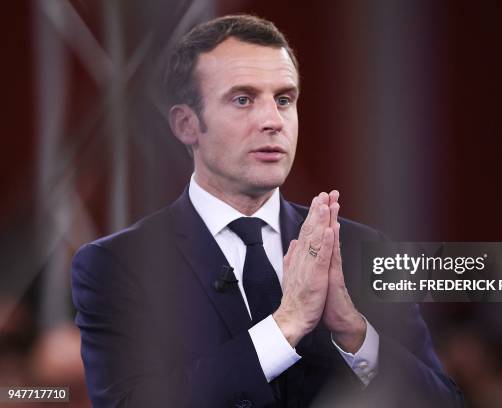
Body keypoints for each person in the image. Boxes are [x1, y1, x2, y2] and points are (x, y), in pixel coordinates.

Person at [71, 14, 463, 407]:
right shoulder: (115, 265)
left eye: (284, 99)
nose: (273, 121)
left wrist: (354, 333)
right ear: (186, 125)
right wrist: (285, 326)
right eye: (243, 99)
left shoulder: (361, 249)